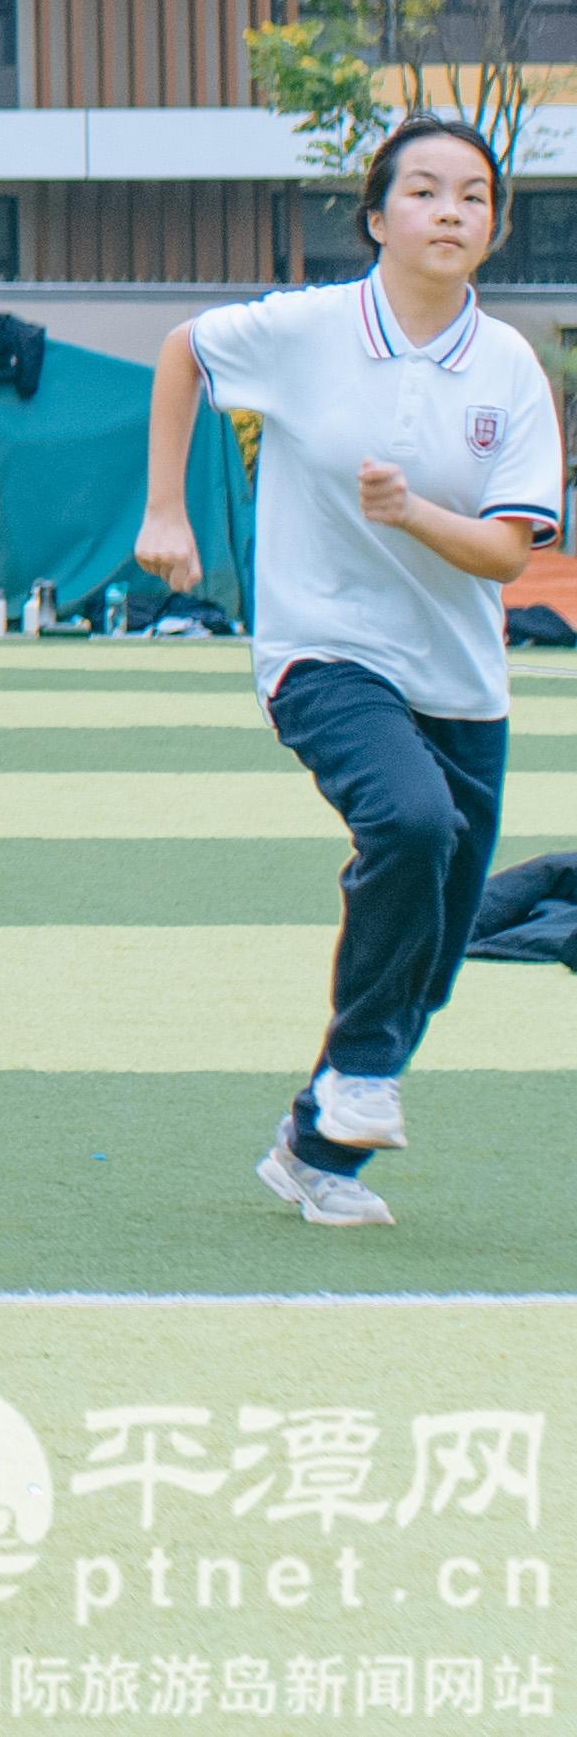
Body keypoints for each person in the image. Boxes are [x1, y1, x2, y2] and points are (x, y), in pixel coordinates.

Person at [138, 113, 563, 1231]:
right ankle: (366, 1076)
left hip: (463, 680)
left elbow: (512, 551)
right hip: (322, 650)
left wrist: (413, 510)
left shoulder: (510, 366)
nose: (449, 212)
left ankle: (316, 1142)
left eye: (472, 196)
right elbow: (184, 348)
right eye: (423, 191)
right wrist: (166, 508)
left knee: (434, 944)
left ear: (493, 228)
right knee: (411, 823)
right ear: (376, 218)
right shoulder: (307, 330)